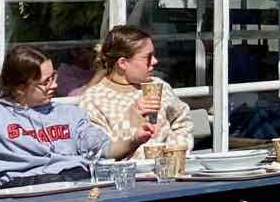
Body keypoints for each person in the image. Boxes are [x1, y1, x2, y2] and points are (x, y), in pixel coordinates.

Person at [0, 44, 139, 188]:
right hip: (26, 188)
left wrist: (133, 140)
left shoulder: (69, 113)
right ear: (19, 88)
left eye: (54, 76)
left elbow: (103, 148)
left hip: (75, 181)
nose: (55, 85)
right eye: (46, 82)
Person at [78, 26, 196, 158]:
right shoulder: (94, 100)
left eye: (154, 55)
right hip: (127, 169)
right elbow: (101, 151)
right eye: (148, 57)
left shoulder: (158, 86)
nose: (155, 61)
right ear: (123, 63)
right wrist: (131, 119)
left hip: (167, 167)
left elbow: (182, 122)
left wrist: (173, 151)